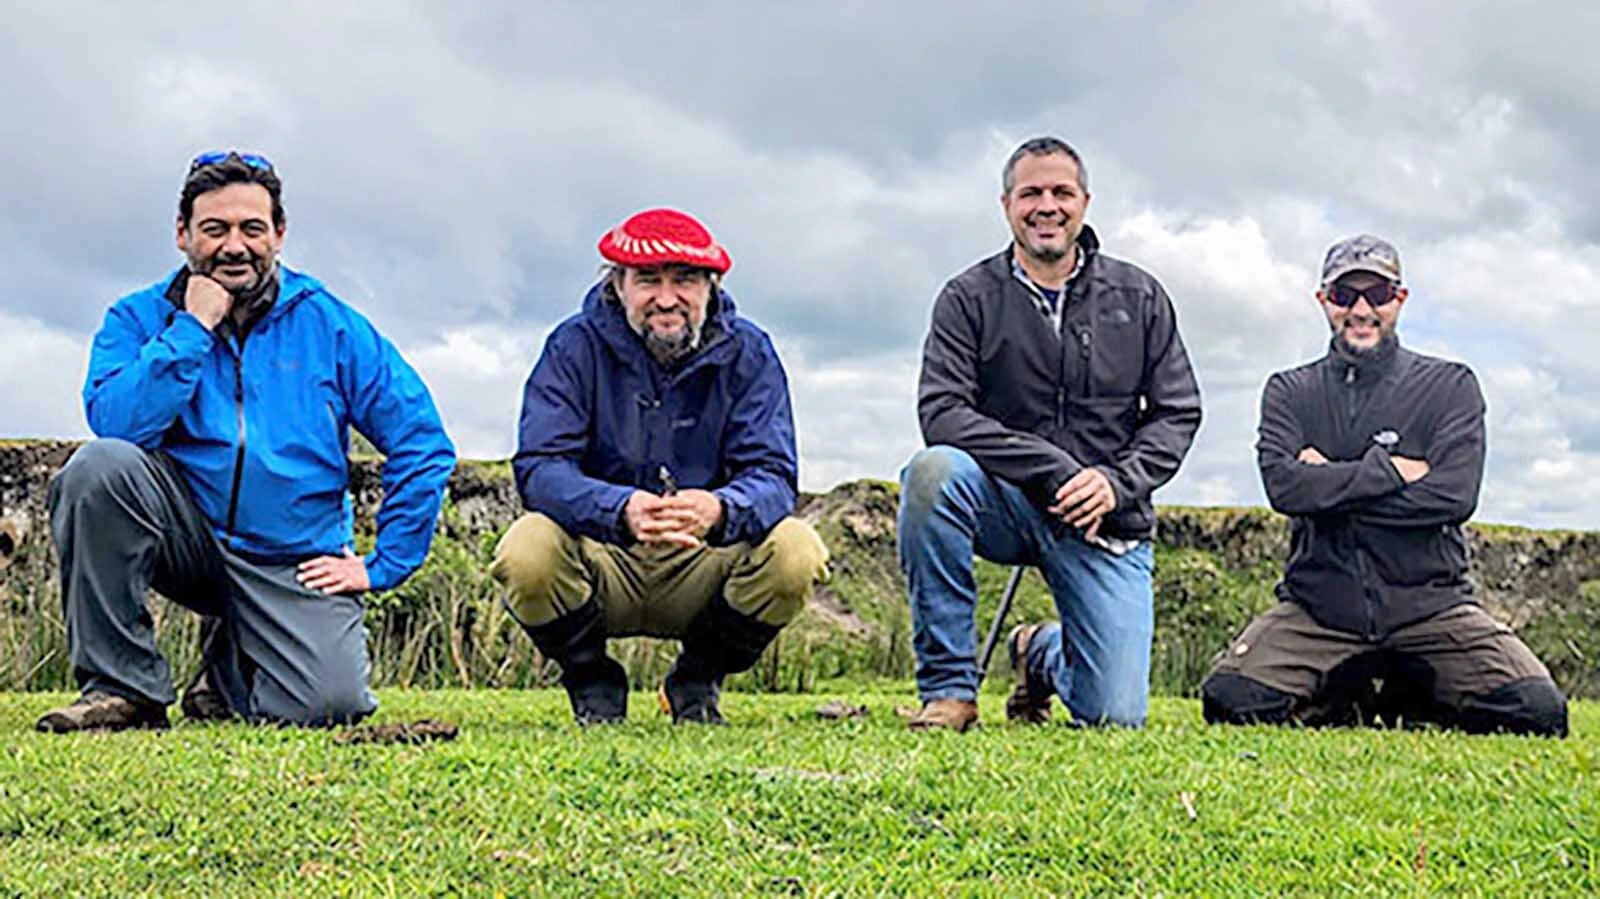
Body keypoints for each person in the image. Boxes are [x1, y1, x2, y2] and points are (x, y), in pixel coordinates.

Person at [36, 151, 456, 732]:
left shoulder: (332, 324)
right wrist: (192, 328)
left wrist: (385, 562)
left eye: (252, 229)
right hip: (187, 539)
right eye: (215, 229)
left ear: (278, 235)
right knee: (96, 470)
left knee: (328, 708)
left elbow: (422, 440)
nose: (234, 245)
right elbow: (119, 426)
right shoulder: (136, 317)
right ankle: (122, 689)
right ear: (182, 234)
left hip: (292, 557)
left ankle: (228, 670)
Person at [1200, 234, 1567, 736]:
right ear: (1323, 301)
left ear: (1401, 299)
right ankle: (1344, 690)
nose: (1361, 308)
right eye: (1345, 294)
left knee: (1537, 710)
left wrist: (1327, 480)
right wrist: (1389, 470)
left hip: (1433, 609)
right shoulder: (1289, 390)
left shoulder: (1450, 385)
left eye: (1378, 293)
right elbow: (1285, 490)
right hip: (1319, 612)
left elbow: (1453, 496)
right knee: (1230, 699)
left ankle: (1409, 692)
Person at [898, 137, 1202, 731]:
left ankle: (1039, 651)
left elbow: (1177, 412)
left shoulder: (1140, 297)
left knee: (1113, 716)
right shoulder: (967, 298)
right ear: (1006, 204)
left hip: (1106, 520)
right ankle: (949, 692)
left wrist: (1116, 484)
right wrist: (1053, 470)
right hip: (1004, 500)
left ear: (1085, 202)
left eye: (1061, 192)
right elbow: (942, 412)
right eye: (1030, 193)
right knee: (932, 472)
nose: (1047, 206)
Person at [491, 209, 828, 725]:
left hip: (704, 558)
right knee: (525, 549)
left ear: (710, 287)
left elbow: (773, 476)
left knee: (797, 552)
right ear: (618, 284)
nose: (667, 298)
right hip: (604, 555)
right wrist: (618, 508)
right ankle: (591, 680)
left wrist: (721, 508)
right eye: (648, 279)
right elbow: (540, 467)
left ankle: (696, 680)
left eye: (685, 280)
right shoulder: (572, 345)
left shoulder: (750, 351)